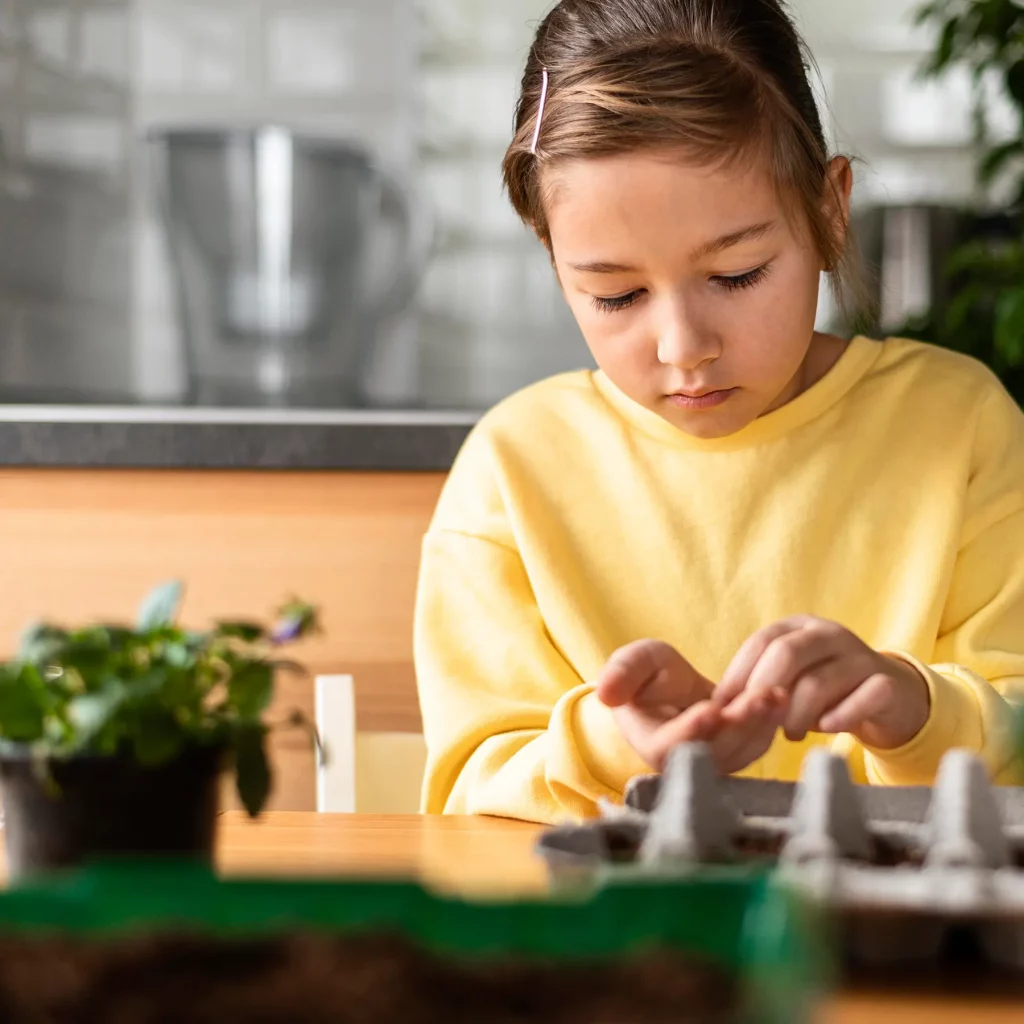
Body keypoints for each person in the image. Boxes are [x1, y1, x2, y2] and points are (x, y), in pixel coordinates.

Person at [414, 0, 1024, 824]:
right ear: (554, 259)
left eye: (736, 275)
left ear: (830, 211)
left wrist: (912, 709)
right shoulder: (512, 470)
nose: (683, 347)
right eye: (616, 294)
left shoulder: (961, 426)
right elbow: (467, 794)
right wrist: (611, 743)